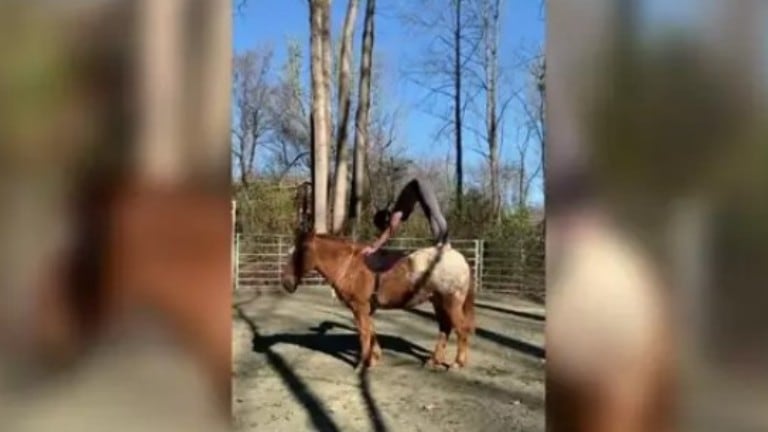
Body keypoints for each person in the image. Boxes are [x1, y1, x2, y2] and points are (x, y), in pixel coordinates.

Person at [361, 177, 448, 256]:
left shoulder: (395, 215)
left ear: (385, 221)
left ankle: (446, 241)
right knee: (430, 215)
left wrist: (374, 247)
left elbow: (389, 232)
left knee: (435, 212)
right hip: (418, 189)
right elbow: (389, 231)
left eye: (383, 227)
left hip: (420, 184)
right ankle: (439, 242)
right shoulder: (398, 213)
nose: (384, 229)